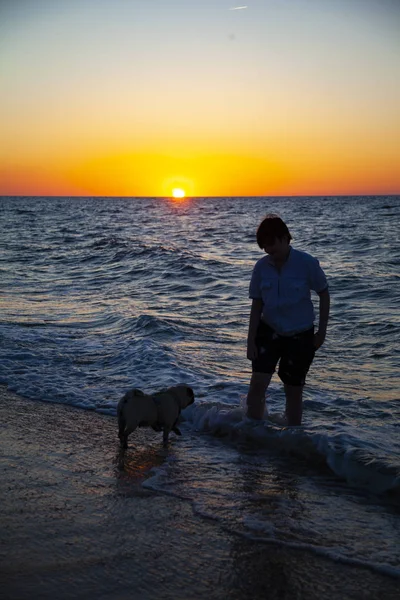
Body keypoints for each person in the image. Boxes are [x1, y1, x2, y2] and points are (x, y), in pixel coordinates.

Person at [246, 214, 330, 425]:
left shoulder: (307, 263)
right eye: (264, 245)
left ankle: (292, 440)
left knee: (293, 390)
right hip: (268, 330)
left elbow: (324, 294)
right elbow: (256, 305)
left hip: (300, 334)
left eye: (271, 243)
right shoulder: (261, 267)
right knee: (257, 384)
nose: (268, 249)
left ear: (285, 237)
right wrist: (250, 341)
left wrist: (321, 333)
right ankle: (252, 433)